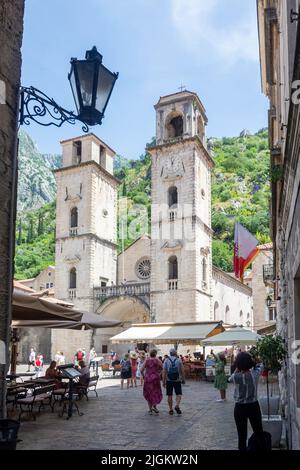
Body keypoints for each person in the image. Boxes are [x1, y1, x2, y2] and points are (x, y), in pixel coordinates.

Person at [229, 352, 264, 451]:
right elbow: (261, 365)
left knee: (241, 436)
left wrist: (237, 368)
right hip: (253, 406)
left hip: (239, 408)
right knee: (259, 433)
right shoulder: (255, 374)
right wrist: (255, 359)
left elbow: (230, 378)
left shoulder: (236, 377)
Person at [162, 348, 185, 415]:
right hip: (177, 380)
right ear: (175, 353)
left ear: (170, 353)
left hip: (169, 380)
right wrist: (183, 379)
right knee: (178, 394)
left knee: (169, 395)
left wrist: (163, 381)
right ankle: (177, 405)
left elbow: (164, 371)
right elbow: (182, 371)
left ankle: (171, 409)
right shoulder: (179, 360)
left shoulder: (166, 360)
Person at [140, 349, 163, 414]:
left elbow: (141, 370)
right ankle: (154, 407)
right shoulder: (158, 360)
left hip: (148, 379)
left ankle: (150, 409)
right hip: (155, 378)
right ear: (155, 354)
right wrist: (159, 374)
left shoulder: (147, 360)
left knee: (149, 392)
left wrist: (144, 376)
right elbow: (162, 368)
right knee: (155, 392)